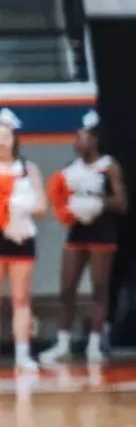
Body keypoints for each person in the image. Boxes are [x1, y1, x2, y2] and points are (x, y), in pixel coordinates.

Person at [41, 109, 127, 364]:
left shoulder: (108, 166)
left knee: (99, 290)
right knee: (67, 289)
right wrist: (67, 207)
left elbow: (122, 203)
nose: (77, 142)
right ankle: (63, 342)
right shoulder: (70, 169)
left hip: (102, 234)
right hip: (77, 233)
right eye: (76, 137)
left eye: (82, 137)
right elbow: (59, 199)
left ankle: (94, 344)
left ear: (94, 139)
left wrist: (97, 202)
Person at [0, 108, 46, 372]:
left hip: (22, 236)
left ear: (16, 139)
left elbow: (41, 205)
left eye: (7, 136)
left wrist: (20, 207)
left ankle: (22, 354)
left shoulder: (28, 169)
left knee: (20, 299)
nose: (3, 141)